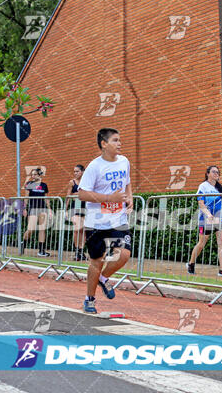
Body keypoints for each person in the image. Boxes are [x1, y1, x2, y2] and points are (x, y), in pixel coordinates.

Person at [78, 128, 133, 314]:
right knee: (97, 261)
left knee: (123, 254)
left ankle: (103, 278)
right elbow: (82, 194)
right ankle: (89, 299)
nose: (120, 143)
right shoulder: (94, 166)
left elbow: (127, 182)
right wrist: (110, 198)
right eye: (115, 140)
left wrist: (130, 197)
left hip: (118, 219)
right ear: (104, 143)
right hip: (96, 222)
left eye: (120, 140)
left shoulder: (124, 161)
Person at [187, 165, 222, 276]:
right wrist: (208, 215)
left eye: (218, 172)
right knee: (202, 243)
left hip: (219, 218)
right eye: (214, 172)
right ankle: (191, 263)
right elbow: (201, 203)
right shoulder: (203, 186)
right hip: (206, 219)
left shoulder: (219, 188)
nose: (216, 174)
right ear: (208, 173)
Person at [21, 168, 52, 257]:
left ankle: (41, 251)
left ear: (39, 175)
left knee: (42, 229)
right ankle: (23, 244)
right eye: (32, 175)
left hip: (42, 209)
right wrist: (24, 208)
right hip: (33, 209)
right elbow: (26, 197)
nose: (33, 176)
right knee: (31, 229)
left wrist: (49, 209)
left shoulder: (44, 185)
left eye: (35, 174)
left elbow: (46, 198)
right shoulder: (29, 184)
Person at [66, 164, 87, 261]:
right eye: (74, 171)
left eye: (77, 171)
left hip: (85, 206)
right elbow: (68, 196)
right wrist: (65, 210)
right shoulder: (72, 182)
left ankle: (81, 251)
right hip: (76, 206)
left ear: (82, 172)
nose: (75, 173)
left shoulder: (87, 182)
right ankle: (76, 251)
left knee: (83, 230)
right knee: (76, 229)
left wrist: (80, 194)